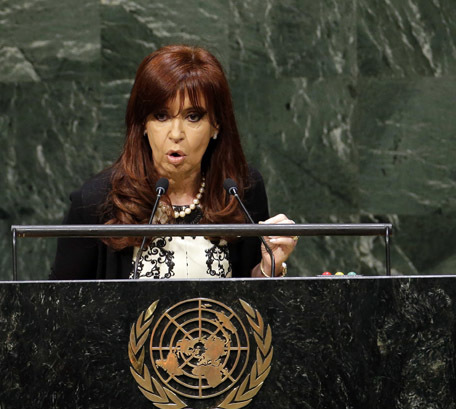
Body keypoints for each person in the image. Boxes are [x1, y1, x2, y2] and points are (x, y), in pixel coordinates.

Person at [49, 45, 297, 280]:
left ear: (216, 125)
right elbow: (59, 306)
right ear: (143, 124)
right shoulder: (96, 200)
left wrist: (268, 268)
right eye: (161, 116)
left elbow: (252, 301)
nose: (176, 133)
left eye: (192, 116)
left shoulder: (241, 190)